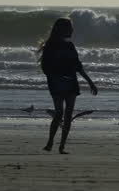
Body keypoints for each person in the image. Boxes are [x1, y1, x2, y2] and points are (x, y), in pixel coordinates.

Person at [37, 17, 97, 154]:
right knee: (59, 113)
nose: (72, 29)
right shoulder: (50, 46)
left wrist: (90, 82)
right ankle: (50, 141)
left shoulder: (70, 46)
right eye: (70, 27)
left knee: (68, 114)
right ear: (63, 29)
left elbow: (78, 66)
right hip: (57, 83)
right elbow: (45, 67)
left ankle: (62, 146)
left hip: (70, 82)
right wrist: (54, 77)